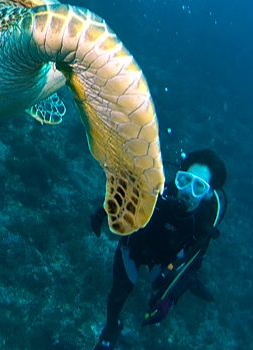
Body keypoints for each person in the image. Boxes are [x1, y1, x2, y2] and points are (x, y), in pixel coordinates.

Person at [90, 148, 227, 349]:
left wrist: (170, 299)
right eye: (185, 180)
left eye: (199, 187)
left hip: (164, 260)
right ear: (178, 177)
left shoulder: (204, 222)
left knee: (160, 296)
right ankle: (111, 329)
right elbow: (124, 197)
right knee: (119, 293)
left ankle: (173, 291)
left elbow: (193, 262)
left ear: (208, 195)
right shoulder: (158, 191)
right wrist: (100, 214)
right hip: (135, 247)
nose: (187, 191)